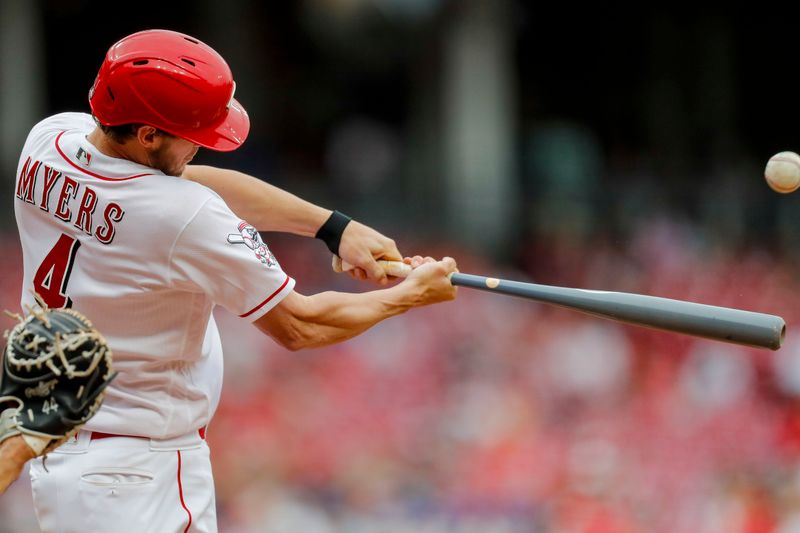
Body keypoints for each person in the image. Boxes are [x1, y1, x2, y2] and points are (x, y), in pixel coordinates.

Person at [12, 29, 457, 531]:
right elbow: (302, 325)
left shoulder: (48, 140)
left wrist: (333, 228)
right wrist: (409, 297)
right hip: (139, 475)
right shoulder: (179, 215)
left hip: (70, 464)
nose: (201, 148)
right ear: (148, 136)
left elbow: (180, 186)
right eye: (191, 135)